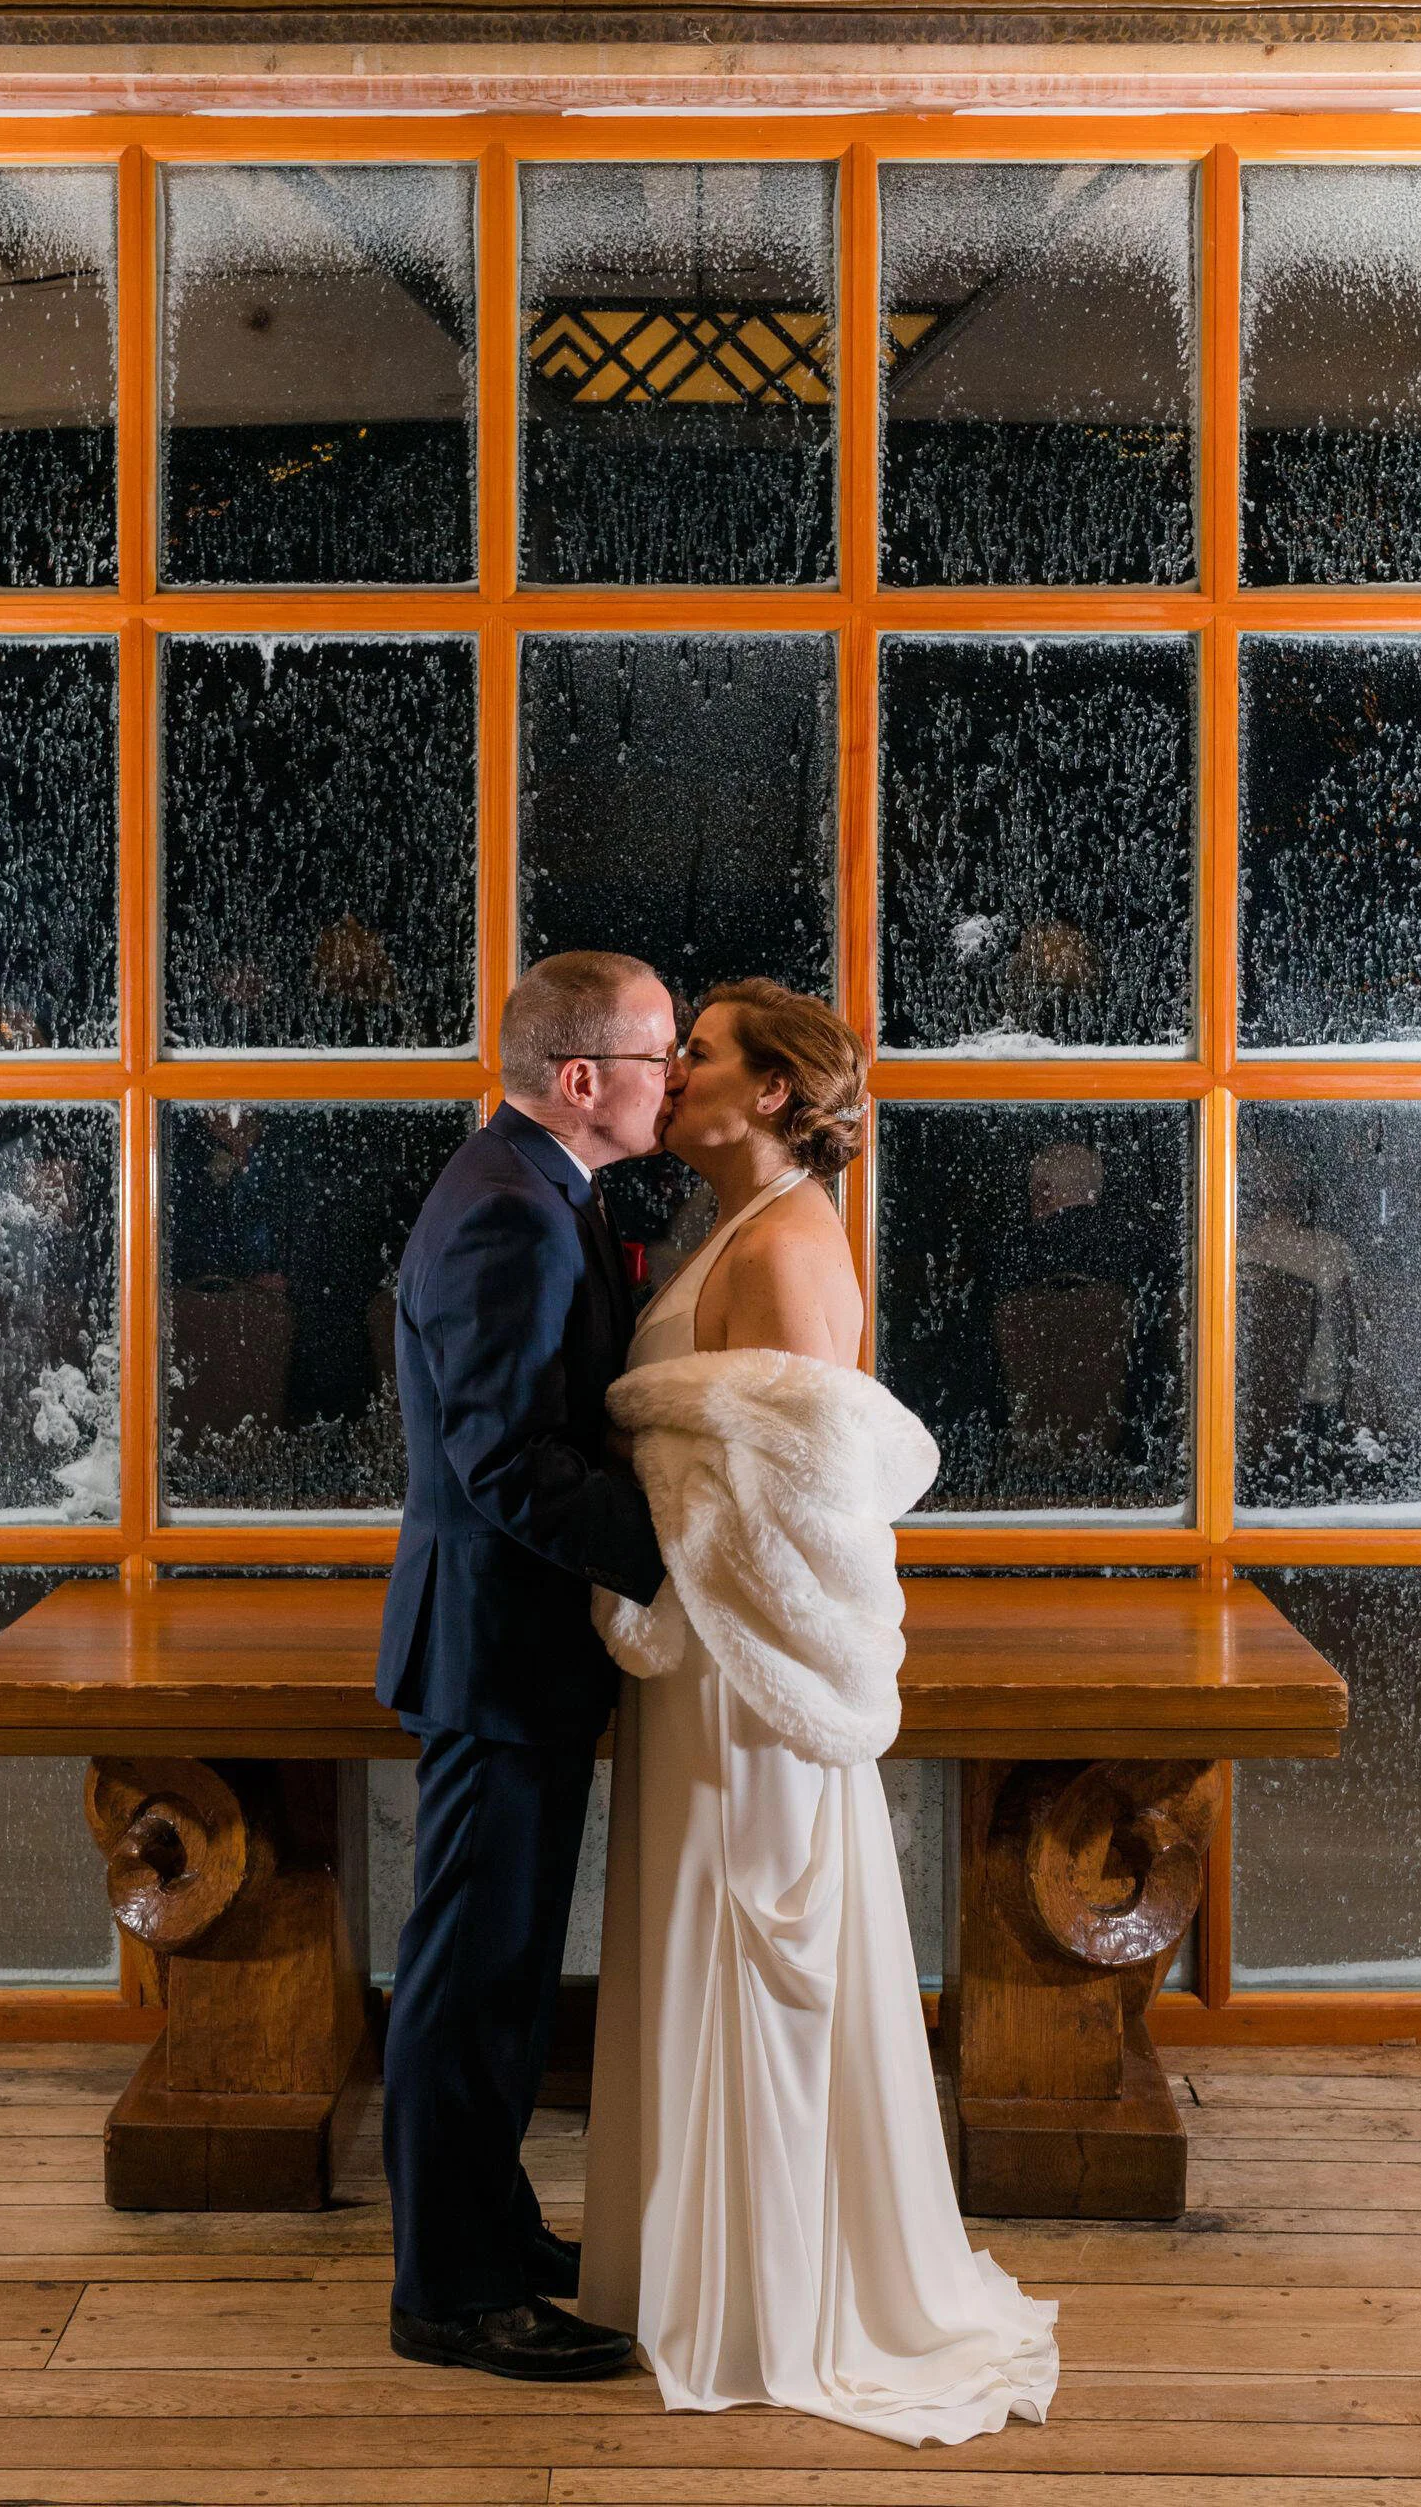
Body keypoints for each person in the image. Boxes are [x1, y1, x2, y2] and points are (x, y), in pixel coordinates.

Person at [580, 978, 1060, 2446]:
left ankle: (771, 2293)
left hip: (749, 1674)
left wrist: (651, 1549)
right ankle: (692, 2264)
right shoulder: (735, 1224)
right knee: (692, 1936)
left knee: (752, 1951)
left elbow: (804, 1516)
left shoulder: (788, 1244)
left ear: (774, 1093)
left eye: (703, 1055)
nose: (674, 1075)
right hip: (705, 1658)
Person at [378, 949, 676, 2384]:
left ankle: (492, 2225)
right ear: (583, 1078)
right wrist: (682, 1545)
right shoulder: (512, 1213)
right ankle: (448, 2289)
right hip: (498, 1644)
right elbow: (508, 1462)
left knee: (495, 1967)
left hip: (509, 1642)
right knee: (472, 1975)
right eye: (658, 1059)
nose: (670, 1083)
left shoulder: (537, 1187)